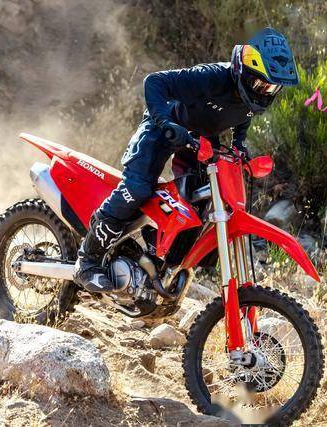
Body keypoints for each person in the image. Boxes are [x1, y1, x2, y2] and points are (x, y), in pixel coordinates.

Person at [74, 27, 300, 292]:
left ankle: (154, 257)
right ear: (245, 70)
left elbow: (242, 117)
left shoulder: (250, 97)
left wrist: (238, 143)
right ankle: (87, 261)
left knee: (200, 204)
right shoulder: (211, 77)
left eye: (272, 87)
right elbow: (154, 82)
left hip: (199, 141)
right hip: (163, 129)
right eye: (262, 84)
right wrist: (165, 123)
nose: (266, 92)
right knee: (137, 189)